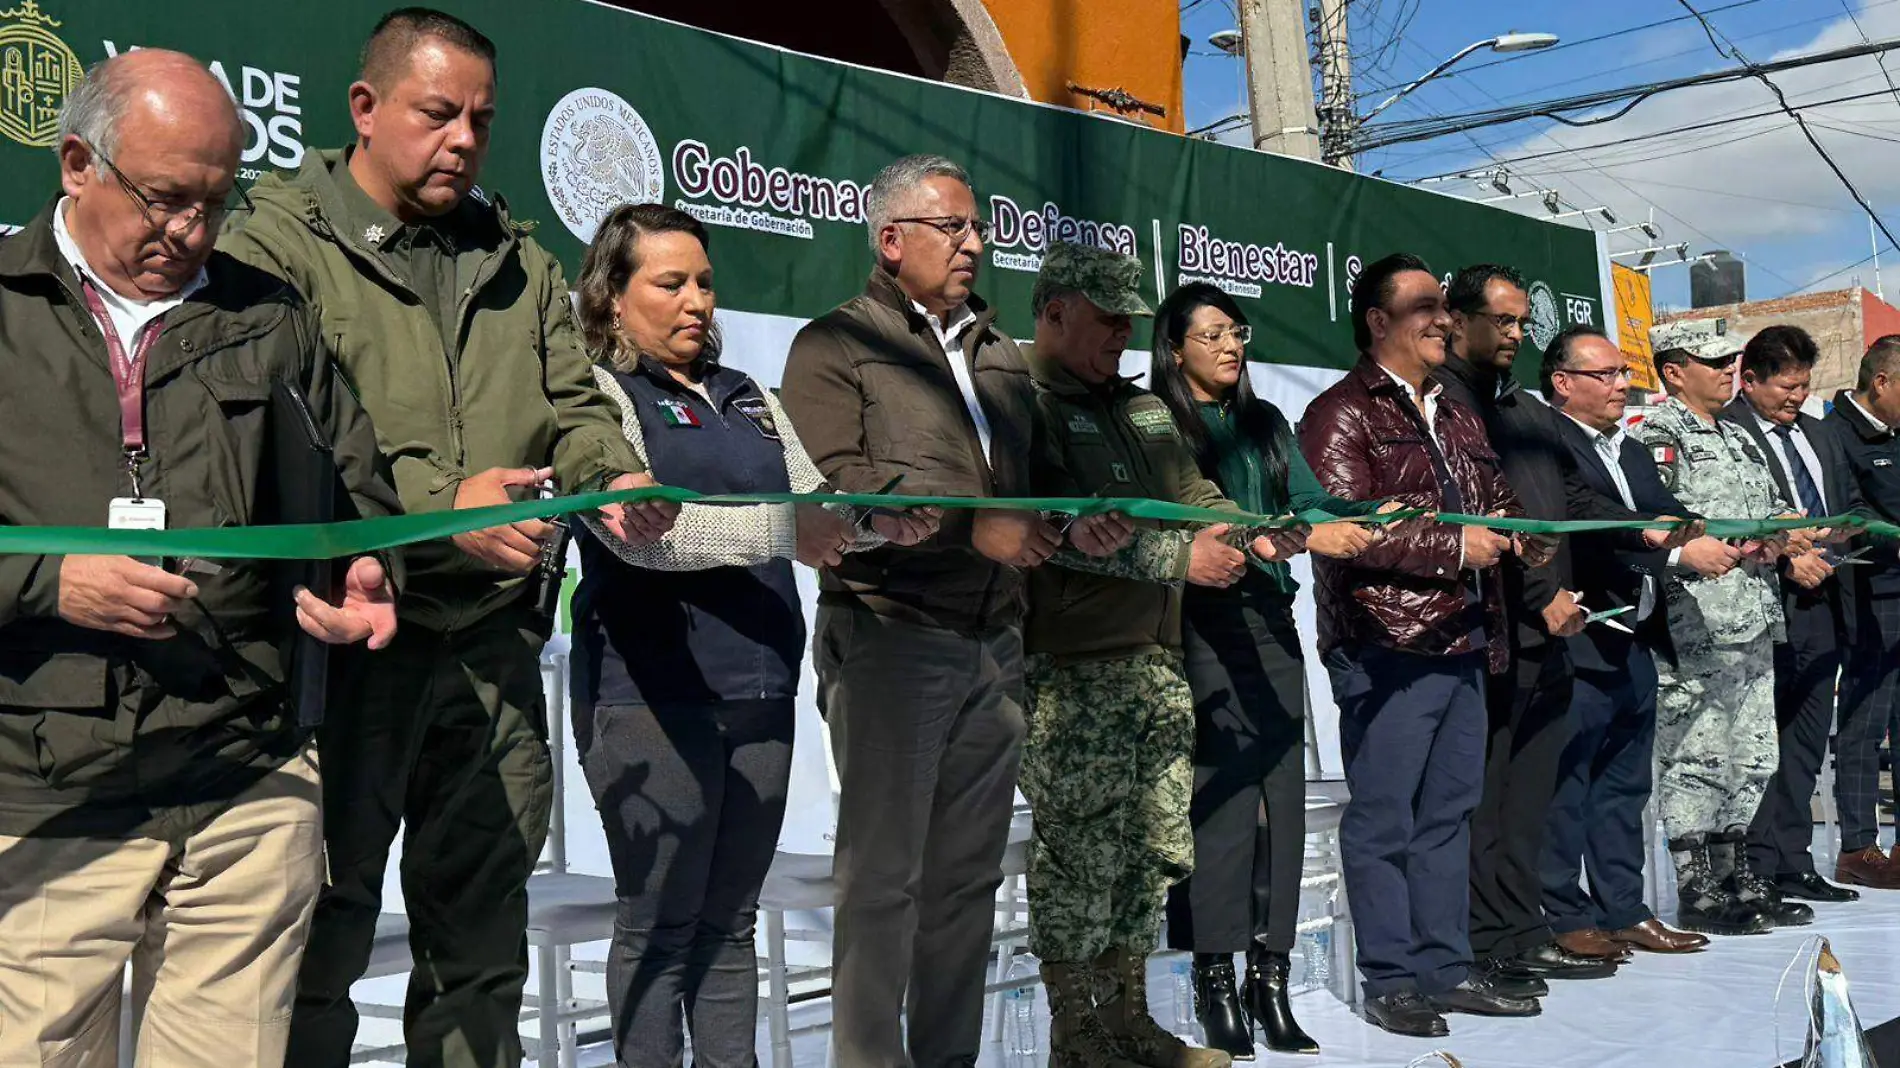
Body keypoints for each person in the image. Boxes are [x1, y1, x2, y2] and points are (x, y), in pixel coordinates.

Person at [219, 11, 677, 1066]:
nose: (463, 139)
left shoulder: (516, 258)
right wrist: (445, 512)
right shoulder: (276, 246)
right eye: (437, 114)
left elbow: (575, 406)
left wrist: (614, 476)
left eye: (480, 118)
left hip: (489, 659)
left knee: (479, 957)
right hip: (342, 662)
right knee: (313, 951)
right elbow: (275, 442)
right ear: (365, 110)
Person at [0, 50, 401, 1067]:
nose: (190, 233)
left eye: (216, 204)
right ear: (77, 163)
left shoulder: (268, 317)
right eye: (167, 199)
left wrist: (366, 577)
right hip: (45, 795)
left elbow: (356, 500)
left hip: (244, 779)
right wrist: (51, 582)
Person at [564, 202, 925, 1068]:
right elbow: (641, 534)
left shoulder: (747, 395)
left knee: (729, 923)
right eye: (670, 283)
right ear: (613, 296)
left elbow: (809, 507)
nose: (697, 301)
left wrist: (876, 524)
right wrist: (786, 533)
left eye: (706, 281)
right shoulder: (597, 396)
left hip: (759, 691)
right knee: (659, 924)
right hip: (648, 695)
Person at [778, 153, 1062, 1068]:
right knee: (883, 885)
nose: (975, 243)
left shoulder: (1001, 355)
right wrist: (968, 535)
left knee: (967, 883)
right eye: (955, 227)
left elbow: (1031, 487)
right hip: (892, 635)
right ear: (892, 240)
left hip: (995, 643)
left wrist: (1065, 530)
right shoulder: (835, 346)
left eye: (978, 227)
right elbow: (835, 496)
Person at [1013, 243, 1243, 1068]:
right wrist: (1179, 560)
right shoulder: (1021, 402)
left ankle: (1130, 1021)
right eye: (1105, 318)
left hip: (1156, 659)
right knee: (1081, 853)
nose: (1121, 334)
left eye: (1128, 320)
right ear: (1053, 313)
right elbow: (1046, 533)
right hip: (1072, 668)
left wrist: (1246, 528)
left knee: (1150, 851)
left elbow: (1190, 496)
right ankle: (1078, 1035)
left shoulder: (1144, 409)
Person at [1297, 253, 1537, 1038]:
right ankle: (1392, 979)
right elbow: (1344, 531)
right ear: (1378, 321)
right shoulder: (1342, 412)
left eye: (1443, 305)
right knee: (1386, 820)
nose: (1442, 318)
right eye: (1424, 306)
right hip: (1388, 647)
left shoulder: (1456, 410)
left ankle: (1445, 964)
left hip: (1464, 639)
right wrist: (1449, 551)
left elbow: (1494, 501)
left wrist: (1525, 538)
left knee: (1449, 815)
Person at [1149, 282, 1391, 1058]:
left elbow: (1310, 502)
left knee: (1280, 801)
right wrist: (1278, 536)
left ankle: (1270, 977)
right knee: (1220, 808)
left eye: (1237, 331)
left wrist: (1339, 527)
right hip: (1194, 623)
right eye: (1211, 333)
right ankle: (1214, 976)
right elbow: (1181, 522)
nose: (1230, 346)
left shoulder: (1265, 423)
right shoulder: (1152, 422)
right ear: (1174, 345)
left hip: (1268, 620)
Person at [1436, 265, 1625, 992]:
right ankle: (1486, 940)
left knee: (1529, 799)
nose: (1516, 334)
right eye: (1504, 321)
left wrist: (1658, 531)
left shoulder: (1526, 412)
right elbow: (1491, 515)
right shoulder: (1450, 407)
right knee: (1488, 797)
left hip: (1554, 629)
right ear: (1457, 319)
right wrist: (1541, 591)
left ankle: (1522, 928)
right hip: (1491, 630)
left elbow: (1576, 497)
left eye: (1523, 323)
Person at [1540, 325, 1713, 957]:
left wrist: (1723, 541)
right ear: (1564, 382)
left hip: (1635, 635)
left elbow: (1665, 516)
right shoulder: (1548, 444)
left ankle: (1625, 908)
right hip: (1579, 636)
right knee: (1569, 782)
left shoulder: (1632, 450)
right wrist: (1663, 536)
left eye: (1622, 375)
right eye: (1606, 375)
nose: (1621, 385)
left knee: (1624, 784)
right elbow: (1587, 527)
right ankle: (1563, 912)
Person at [1636, 323, 1805, 937]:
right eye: (1711, 361)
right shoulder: (1658, 435)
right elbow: (1656, 524)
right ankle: (1696, 883)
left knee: (1754, 753)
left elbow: (1772, 506)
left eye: (1730, 359)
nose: (1727, 369)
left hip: (1755, 616)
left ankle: (1738, 871)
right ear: (1674, 370)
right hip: (1697, 624)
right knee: (1697, 754)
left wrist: (1792, 531)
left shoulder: (1738, 436)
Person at [1723, 325, 1866, 907]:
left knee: (1805, 741)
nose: (1796, 398)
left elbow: (1854, 506)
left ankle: (1792, 860)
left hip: (1824, 603)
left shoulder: (1820, 435)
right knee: (1757, 745)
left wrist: (1833, 538)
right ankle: (1754, 865)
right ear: (1749, 379)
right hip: (1761, 607)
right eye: (1786, 386)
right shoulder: (1726, 433)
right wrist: (1790, 557)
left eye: (1804, 386)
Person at [1826, 334, 1900, 889]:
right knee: (1864, 722)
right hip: (1871, 595)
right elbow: (1855, 509)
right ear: (1882, 382)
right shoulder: (1837, 436)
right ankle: (1858, 846)